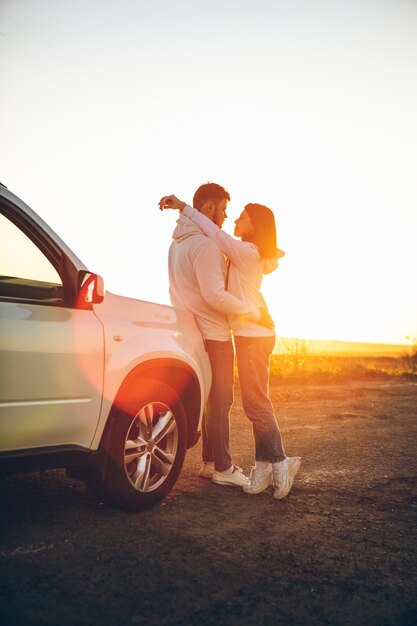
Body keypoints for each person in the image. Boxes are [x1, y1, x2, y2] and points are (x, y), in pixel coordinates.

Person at [160, 192, 301, 500]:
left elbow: (217, 234)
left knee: (255, 403)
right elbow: (224, 242)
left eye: (241, 217)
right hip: (245, 331)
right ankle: (265, 464)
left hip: (254, 332)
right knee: (251, 403)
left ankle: (279, 460)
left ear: (254, 227)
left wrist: (184, 208)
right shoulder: (243, 252)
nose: (233, 218)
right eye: (228, 211)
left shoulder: (243, 252)